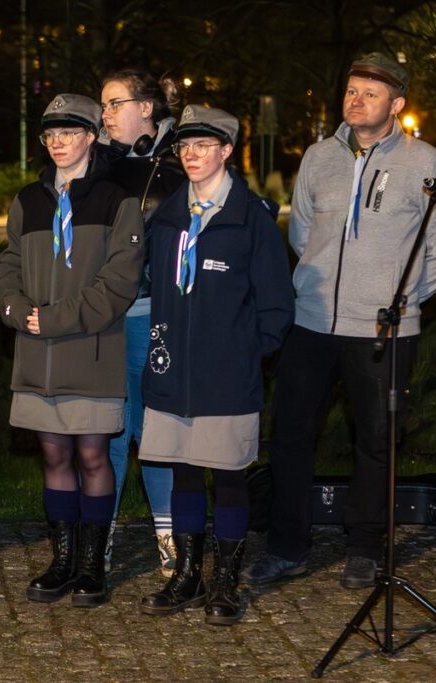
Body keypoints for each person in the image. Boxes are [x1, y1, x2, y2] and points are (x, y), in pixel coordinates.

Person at [242, 53, 436, 589]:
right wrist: (315, 289)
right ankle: (288, 546)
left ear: (397, 104)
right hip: (312, 324)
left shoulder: (425, 162)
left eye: (370, 93)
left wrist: (402, 299)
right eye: (351, 90)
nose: (357, 100)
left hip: (382, 331)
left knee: (377, 440)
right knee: (290, 436)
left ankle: (365, 547)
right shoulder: (319, 156)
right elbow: (302, 234)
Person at [136, 106, 293, 624]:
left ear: (226, 150)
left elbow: (276, 304)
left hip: (227, 376)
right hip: (171, 373)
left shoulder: (251, 219)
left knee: (227, 477)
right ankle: (188, 575)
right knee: (183, 475)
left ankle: (225, 579)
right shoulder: (167, 217)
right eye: (185, 146)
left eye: (203, 145)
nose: (192, 154)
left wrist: (245, 349)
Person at [0, 94, 144, 607]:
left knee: (93, 455)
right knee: (54, 455)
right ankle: (62, 561)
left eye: (70, 132)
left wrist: (55, 318)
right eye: (51, 134)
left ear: (91, 137)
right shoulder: (28, 200)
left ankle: (91, 565)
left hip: (91, 349)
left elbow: (120, 282)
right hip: (37, 355)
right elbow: (9, 264)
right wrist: (17, 310)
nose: (58, 142)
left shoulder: (116, 200)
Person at [99, 68, 187, 576]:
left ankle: (170, 542)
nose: (106, 114)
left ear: (146, 108)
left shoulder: (182, 161)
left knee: (154, 434)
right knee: (106, 431)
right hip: (101, 318)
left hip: (152, 315)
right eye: (103, 105)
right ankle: (100, 538)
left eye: (115, 103)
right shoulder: (97, 163)